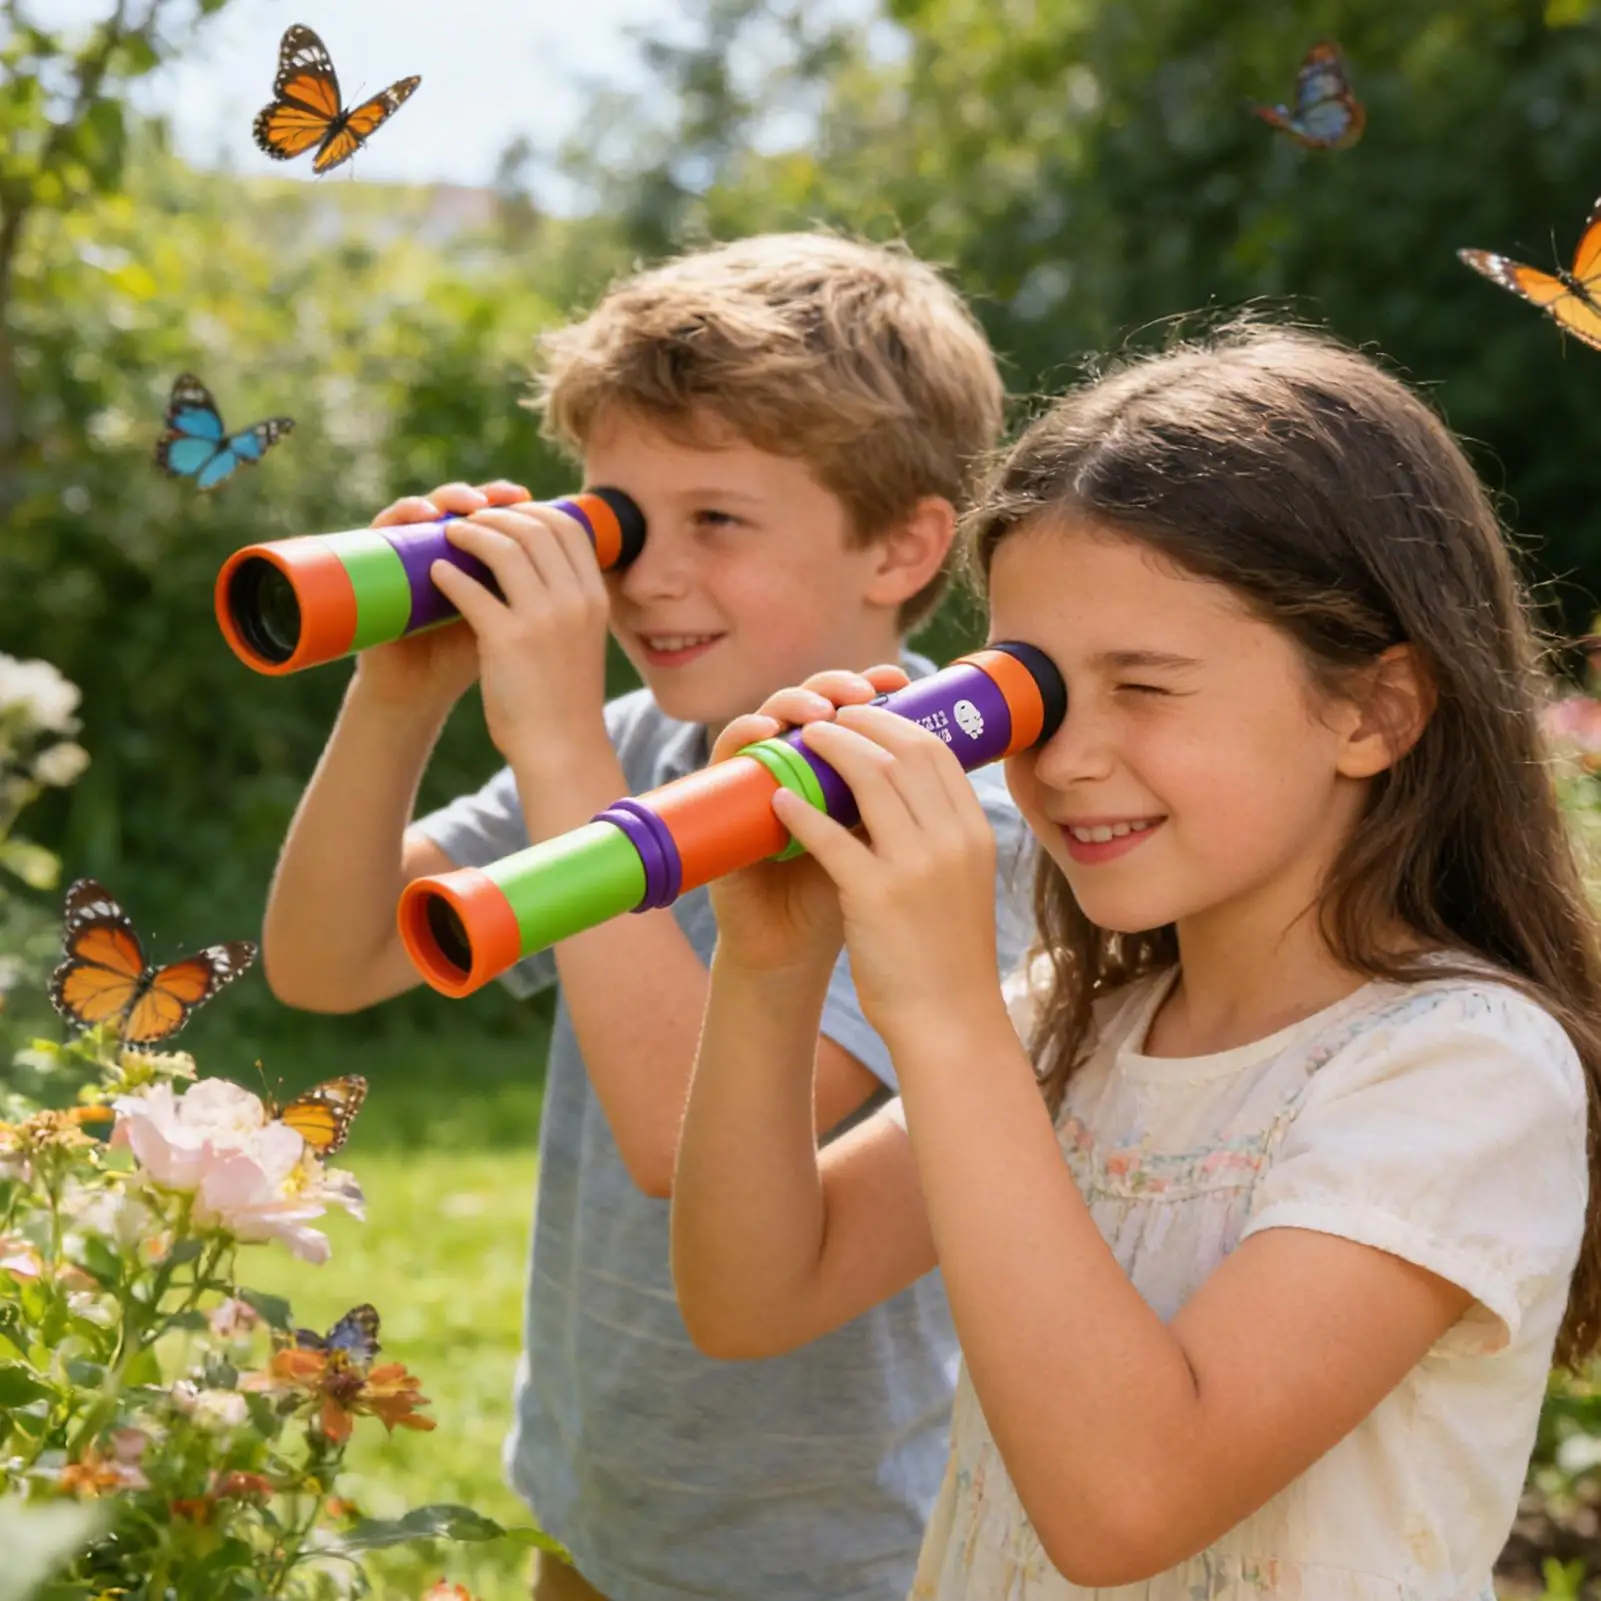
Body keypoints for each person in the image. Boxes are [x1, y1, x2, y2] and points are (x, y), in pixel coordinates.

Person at [671, 321, 1601, 1600]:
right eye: (1035, 694)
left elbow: (1125, 1507)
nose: (1062, 758)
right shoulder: (1077, 1023)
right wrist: (771, 968)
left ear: (1372, 709)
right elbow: (751, 1295)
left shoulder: (1459, 1071)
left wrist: (941, 1008)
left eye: (1145, 687)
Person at [259, 232, 1034, 1601]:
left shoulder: (951, 817)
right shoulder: (638, 747)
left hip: (828, 1551)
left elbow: (691, 1140)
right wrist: (401, 691)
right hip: (593, 1494)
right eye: (615, 520)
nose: (646, 575)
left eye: (716, 520)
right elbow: (328, 958)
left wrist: (560, 742)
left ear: (904, 543)